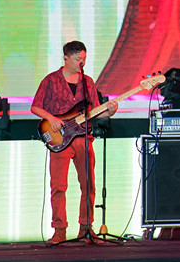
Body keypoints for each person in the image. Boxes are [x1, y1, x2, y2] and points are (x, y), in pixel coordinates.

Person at [31, 41, 118, 244]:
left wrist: (109, 112)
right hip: (60, 139)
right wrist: (51, 118)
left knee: (88, 185)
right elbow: (35, 107)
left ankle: (86, 229)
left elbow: (95, 111)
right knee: (58, 186)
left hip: (83, 139)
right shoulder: (51, 80)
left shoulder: (87, 82)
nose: (82, 62)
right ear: (66, 58)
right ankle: (59, 230)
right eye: (78, 59)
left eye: (84, 59)